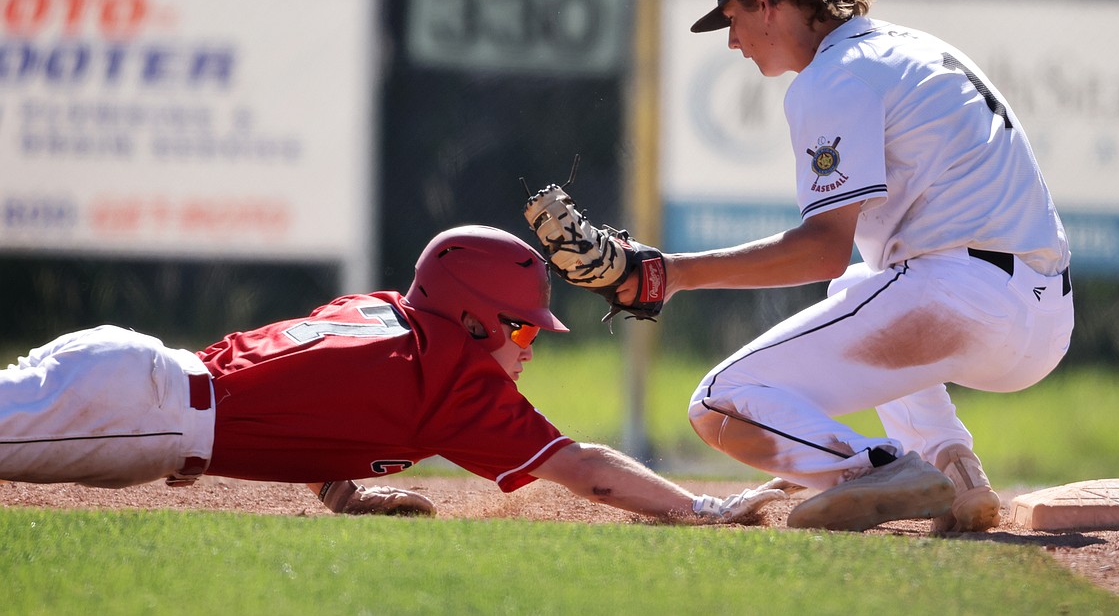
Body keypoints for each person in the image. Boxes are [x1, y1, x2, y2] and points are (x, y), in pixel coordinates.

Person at [620, 0, 1074, 532]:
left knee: (718, 404)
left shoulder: (834, 76)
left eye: (731, 16)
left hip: (962, 303)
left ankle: (876, 469)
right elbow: (845, 267)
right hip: (1045, 318)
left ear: (764, 1)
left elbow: (820, 250)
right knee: (860, 288)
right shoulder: (914, 47)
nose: (733, 41)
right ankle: (956, 470)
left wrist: (674, 274)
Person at [0, 225, 785, 523]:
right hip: (138, 411)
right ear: (472, 318)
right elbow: (584, 469)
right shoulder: (450, 378)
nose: (528, 345)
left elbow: (311, 400)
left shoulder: (381, 310)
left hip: (128, 381)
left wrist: (343, 491)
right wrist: (701, 508)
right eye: (519, 327)